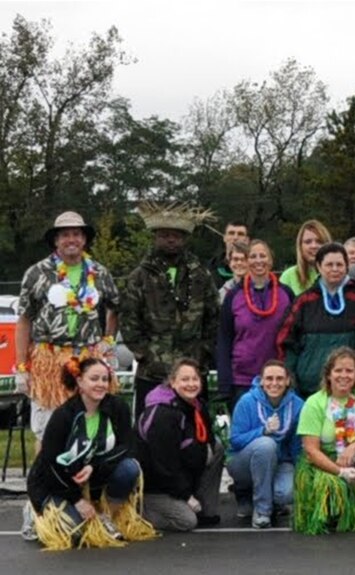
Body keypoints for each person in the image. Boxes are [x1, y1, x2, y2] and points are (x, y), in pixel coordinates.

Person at [25, 357, 155, 549]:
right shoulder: (63, 416)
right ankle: (36, 513)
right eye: (94, 379)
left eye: (105, 379)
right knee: (73, 535)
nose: (101, 384)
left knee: (129, 468)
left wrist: (94, 467)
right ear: (80, 382)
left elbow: (127, 446)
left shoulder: (118, 407)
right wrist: (77, 500)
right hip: (59, 482)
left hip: (94, 477)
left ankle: (106, 515)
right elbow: (50, 464)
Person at [16, 212, 121, 445]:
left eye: (76, 234)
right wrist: (22, 366)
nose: (71, 239)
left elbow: (116, 308)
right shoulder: (37, 273)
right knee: (48, 430)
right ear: (56, 240)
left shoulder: (99, 273)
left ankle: (86, 479)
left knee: (89, 427)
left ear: (84, 240)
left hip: (88, 359)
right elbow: (24, 320)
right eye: (65, 235)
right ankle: (45, 480)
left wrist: (109, 341)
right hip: (48, 360)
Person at [123, 202, 220, 403]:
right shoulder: (139, 277)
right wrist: (147, 356)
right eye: (164, 235)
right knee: (150, 428)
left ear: (184, 239)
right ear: (155, 237)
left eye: (176, 236)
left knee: (195, 429)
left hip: (192, 371)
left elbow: (213, 319)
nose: (170, 240)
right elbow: (129, 322)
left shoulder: (201, 275)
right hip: (152, 373)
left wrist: (203, 353)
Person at [293, 348, 355, 533]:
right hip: (325, 461)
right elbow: (311, 450)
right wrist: (340, 472)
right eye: (338, 370)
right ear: (329, 375)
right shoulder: (314, 403)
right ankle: (335, 505)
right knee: (332, 515)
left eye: (349, 371)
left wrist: (354, 447)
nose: (344, 375)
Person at [137, 360, 224, 531]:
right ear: (173, 382)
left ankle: (205, 509)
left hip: (183, 473)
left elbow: (209, 440)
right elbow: (164, 465)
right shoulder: (163, 414)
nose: (191, 384)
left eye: (195, 379)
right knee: (187, 522)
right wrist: (186, 496)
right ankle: (141, 512)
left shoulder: (198, 406)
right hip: (157, 486)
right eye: (184, 380)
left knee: (217, 448)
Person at [279, 245, 355, 396]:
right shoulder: (303, 302)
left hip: (351, 390)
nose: (335, 269)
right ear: (318, 267)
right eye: (329, 264)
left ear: (347, 266)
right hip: (308, 390)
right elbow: (287, 343)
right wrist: (291, 383)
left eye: (339, 264)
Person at [228, 361, 303, 528]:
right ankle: (262, 510)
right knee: (266, 445)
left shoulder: (297, 405)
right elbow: (235, 440)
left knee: (286, 493)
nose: (274, 383)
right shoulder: (247, 401)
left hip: (280, 461)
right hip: (243, 462)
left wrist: (301, 476)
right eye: (269, 378)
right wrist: (263, 431)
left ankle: (275, 501)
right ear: (261, 380)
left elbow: (297, 445)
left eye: (279, 379)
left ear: (288, 381)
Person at [219, 240, 291, 408]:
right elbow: (224, 339)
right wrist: (224, 383)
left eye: (263, 256)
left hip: (277, 379)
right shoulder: (233, 296)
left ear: (271, 260)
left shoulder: (286, 294)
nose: (258, 261)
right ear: (246, 261)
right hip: (242, 380)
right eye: (253, 256)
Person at [280, 220, 331, 295]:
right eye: (308, 242)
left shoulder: (337, 274)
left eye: (319, 241)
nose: (314, 246)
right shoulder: (288, 276)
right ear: (300, 246)